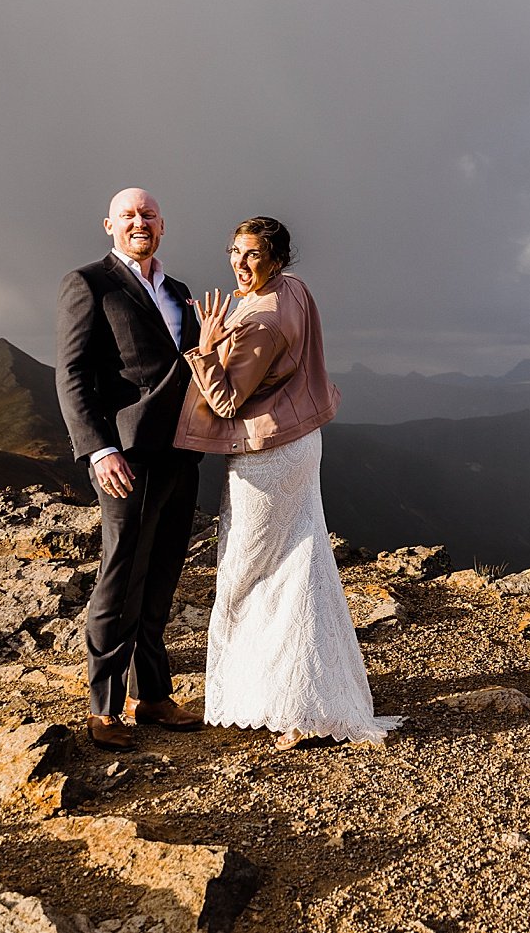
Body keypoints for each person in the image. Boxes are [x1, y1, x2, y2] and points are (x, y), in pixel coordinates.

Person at [174, 216, 402, 748]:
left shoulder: (263, 320)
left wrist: (205, 348)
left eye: (252, 254)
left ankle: (278, 698)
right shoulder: (295, 291)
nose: (239, 262)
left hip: (266, 456)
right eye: (234, 250)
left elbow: (226, 401)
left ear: (276, 259)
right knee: (301, 558)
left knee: (250, 573)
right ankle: (306, 691)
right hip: (300, 442)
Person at [56, 187, 207, 752]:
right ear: (109, 225)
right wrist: (98, 449)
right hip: (126, 456)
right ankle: (104, 707)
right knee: (121, 577)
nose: (139, 222)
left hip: (182, 452)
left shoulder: (180, 292)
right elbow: (71, 374)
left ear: (162, 226)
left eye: (148, 215)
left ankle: (154, 696)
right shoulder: (88, 283)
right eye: (128, 215)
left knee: (163, 573)